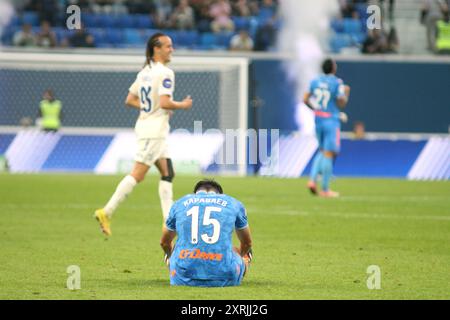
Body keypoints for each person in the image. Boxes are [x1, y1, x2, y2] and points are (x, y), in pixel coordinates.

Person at [94, 33, 193, 236]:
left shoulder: (144, 72)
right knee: (138, 174)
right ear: (156, 49)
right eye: (168, 46)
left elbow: (129, 99)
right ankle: (106, 211)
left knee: (168, 173)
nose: (171, 50)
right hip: (154, 131)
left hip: (149, 127)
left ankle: (168, 223)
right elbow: (165, 103)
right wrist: (182, 105)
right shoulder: (165, 73)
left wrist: (150, 107)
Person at [160, 179, 253, 287]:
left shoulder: (179, 203)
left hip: (182, 278)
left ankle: (177, 267)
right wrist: (238, 256)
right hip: (225, 276)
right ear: (219, 195)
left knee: (173, 247)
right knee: (243, 249)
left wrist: (171, 256)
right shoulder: (234, 203)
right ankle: (242, 265)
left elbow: (164, 243)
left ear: (196, 194)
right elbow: (247, 243)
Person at [304, 58, 351, 198]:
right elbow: (341, 102)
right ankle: (325, 189)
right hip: (331, 119)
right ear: (333, 68)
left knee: (323, 151)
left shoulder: (314, 81)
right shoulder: (337, 82)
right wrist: (347, 93)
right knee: (329, 154)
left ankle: (312, 180)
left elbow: (305, 99)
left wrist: (314, 109)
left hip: (318, 118)